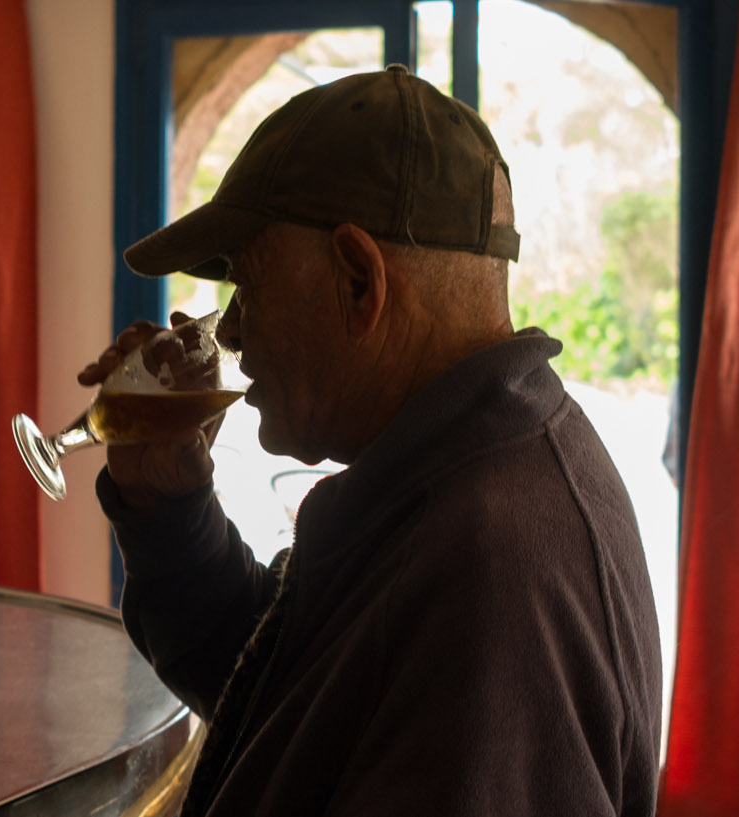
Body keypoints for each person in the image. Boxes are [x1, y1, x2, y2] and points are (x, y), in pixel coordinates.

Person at [82, 65, 662, 816]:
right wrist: (168, 502)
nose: (227, 328)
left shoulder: (492, 569)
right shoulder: (460, 473)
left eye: (248, 282)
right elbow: (284, 689)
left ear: (360, 279)